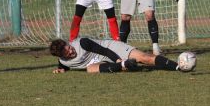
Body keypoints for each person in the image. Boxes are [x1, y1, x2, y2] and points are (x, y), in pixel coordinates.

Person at [49, 37, 180, 73]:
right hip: (102, 61)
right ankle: (125, 65)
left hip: (111, 49)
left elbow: (104, 51)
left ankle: (178, 66)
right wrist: (61, 69)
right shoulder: (64, 61)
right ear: (62, 56)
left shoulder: (82, 43)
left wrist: (118, 60)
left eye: (70, 48)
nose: (72, 51)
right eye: (68, 53)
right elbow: (63, 64)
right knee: (90, 69)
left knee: (144, 58)